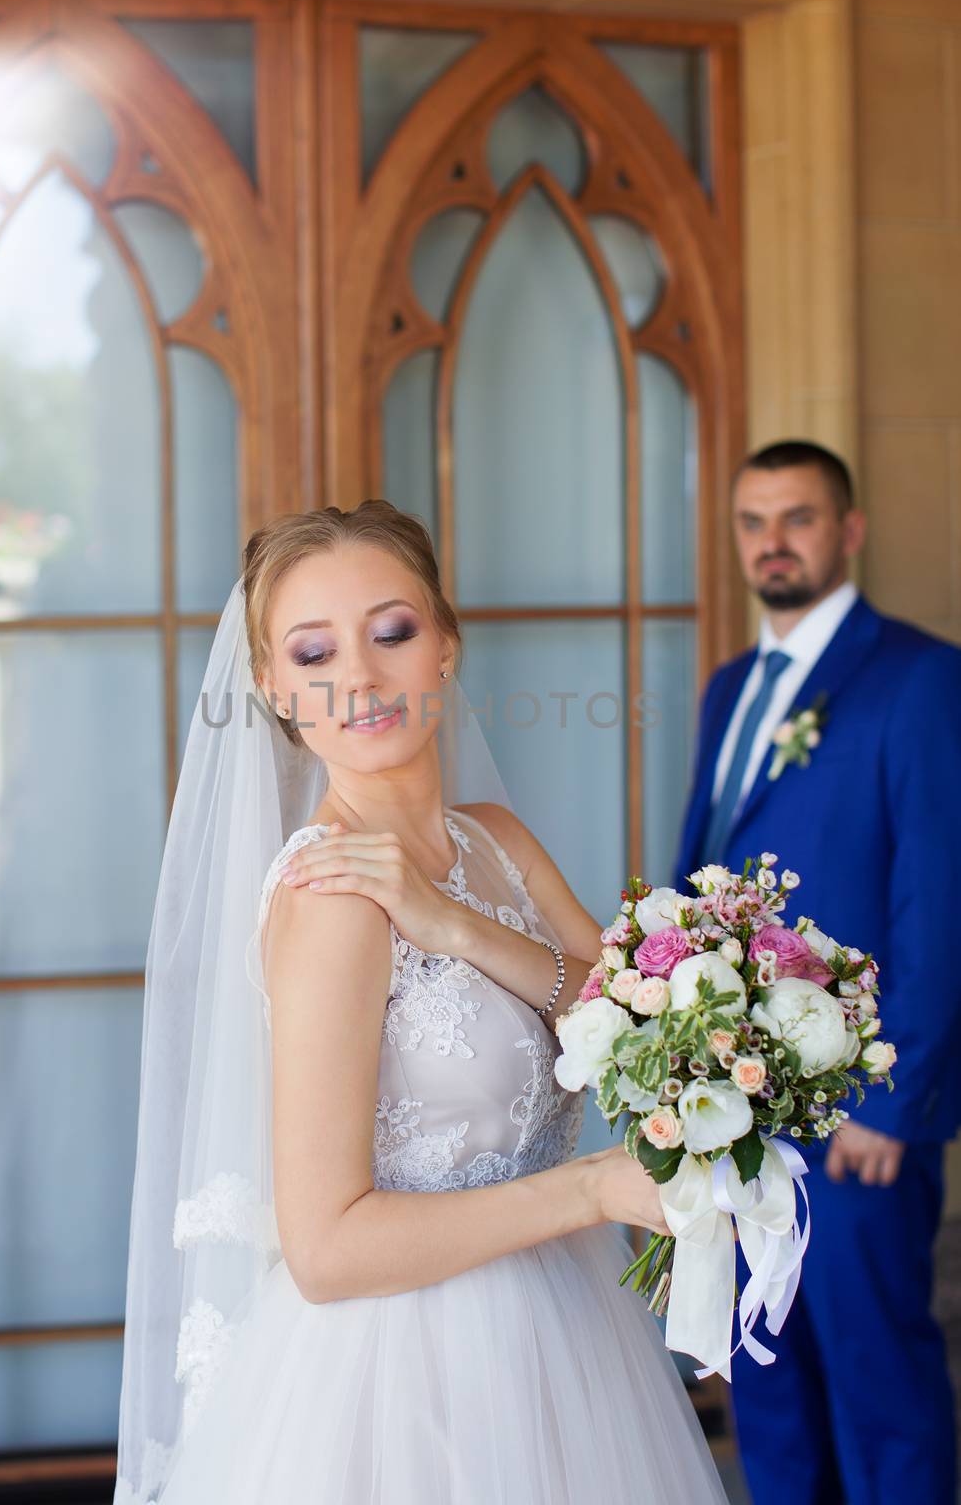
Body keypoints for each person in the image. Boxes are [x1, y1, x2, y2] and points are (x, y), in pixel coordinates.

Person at [115, 500, 729, 1505]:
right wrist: (585, 1192)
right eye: (312, 653)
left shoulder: (494, 840)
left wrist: (454, 927)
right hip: (400, 1375)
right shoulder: (331, 902)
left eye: (390, 631)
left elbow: (633, 1030)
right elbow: (323, 1249)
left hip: (565, 1333)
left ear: (444, 644)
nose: (356, 675)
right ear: (272, 689)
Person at [674, 440, 961, 1504]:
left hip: (856, 1118)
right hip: (739, 1110)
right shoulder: (728, 689)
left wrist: (895, 1102)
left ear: (847, 531)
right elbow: (703, 877)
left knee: (875, 1376)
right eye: (751, 522)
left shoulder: (920, 679)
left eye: (795, 519)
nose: (771, 543)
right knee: (765, 1372)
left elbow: (938, 902)